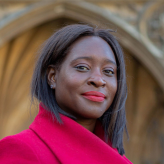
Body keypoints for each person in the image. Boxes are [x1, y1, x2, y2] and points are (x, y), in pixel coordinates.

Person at [0, 24, 132, 164]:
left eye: (109, 71)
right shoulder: (21, 149)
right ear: (52, 76)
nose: (99, 80)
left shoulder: (121, 160)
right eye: (82, 67)